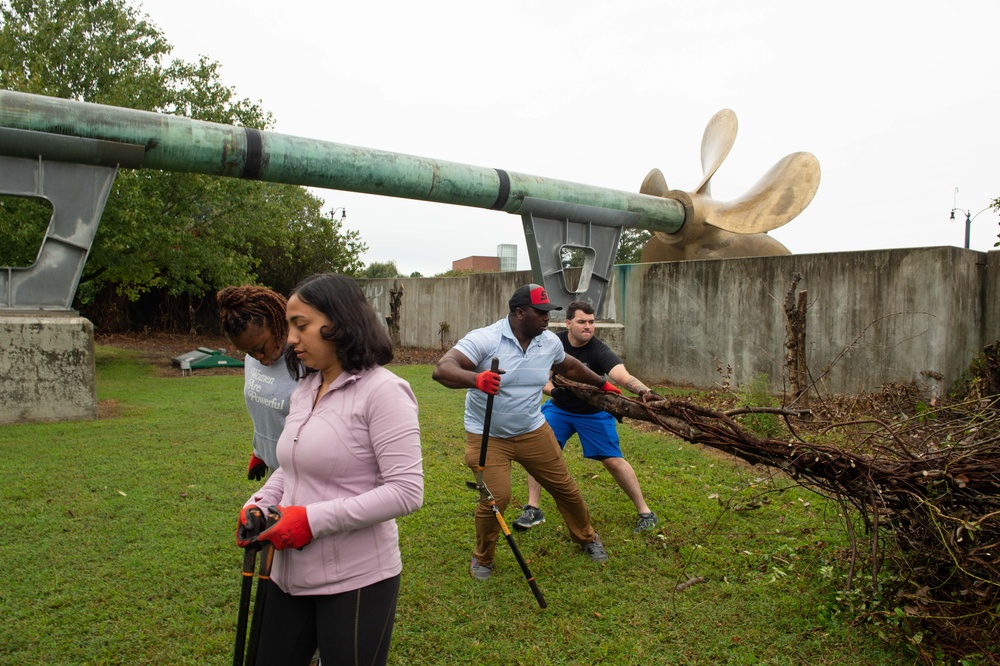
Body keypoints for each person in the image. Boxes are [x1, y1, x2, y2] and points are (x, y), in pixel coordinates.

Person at [236, 273, 424, 666]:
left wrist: (311, 521)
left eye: (300, 325)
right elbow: (293, 463)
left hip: (357, 581)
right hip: (287, 574)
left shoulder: (384, 392)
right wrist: (261, 501)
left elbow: (406, 492)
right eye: (289, 326)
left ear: (338, 322)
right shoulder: (306, 388)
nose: (290, 339)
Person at [432, 283, 622, 581]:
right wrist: (476, 379)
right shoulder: (486, 339)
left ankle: (586, 536)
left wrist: (602, 383)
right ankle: (483, 557)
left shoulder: (548, 342)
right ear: (519, 313)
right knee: (496, 499)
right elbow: (443, 369)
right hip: (488, 435)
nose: (547, 318)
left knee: (565, 487)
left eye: (549, 312)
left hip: (532, 430)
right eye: (540, 312)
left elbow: (569, 367)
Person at [514, 300, 659, 534]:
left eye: (592, 322)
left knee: (613, 460)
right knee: (538, 452)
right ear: (569, 323)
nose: (588, 327)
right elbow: (543, 376)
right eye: (582, 322)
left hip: (593, 413)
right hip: (559, 409)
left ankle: (646, 512)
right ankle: (533, 508)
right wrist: (553, 391)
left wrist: (646, 393)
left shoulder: (598, 350)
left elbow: (622, 376)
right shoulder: (554, 342)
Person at [217, 285, 297, 481]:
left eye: (261, 348)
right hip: (275, 473)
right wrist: (259, 452)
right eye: (249, 352)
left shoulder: (306, 358)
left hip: (305, 477)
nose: (259, 358)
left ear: (278, 323)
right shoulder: (252, 358)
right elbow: (266, 412)